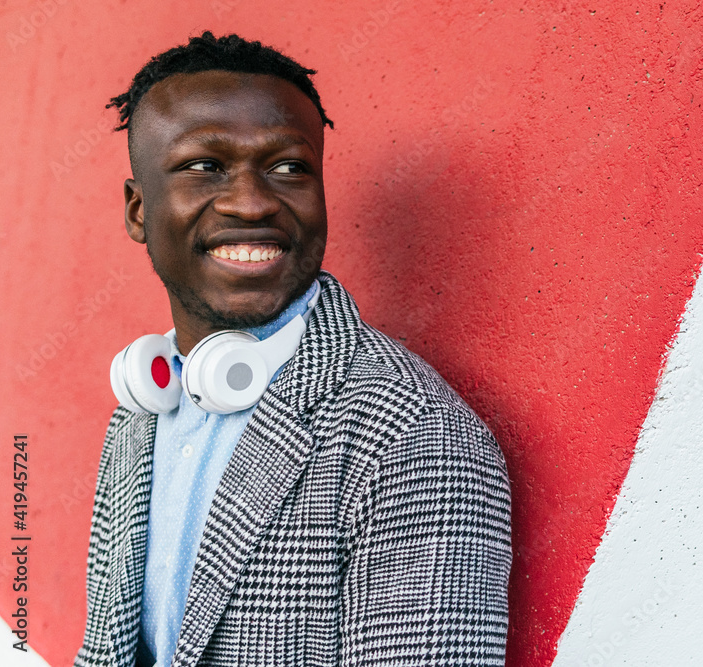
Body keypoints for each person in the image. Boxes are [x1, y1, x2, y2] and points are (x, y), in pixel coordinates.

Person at [75, 31, 512, 667]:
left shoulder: (414, 437)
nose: (252, 203)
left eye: (289, 168)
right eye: (205, 166)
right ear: (139, 210)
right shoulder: (142, 409)